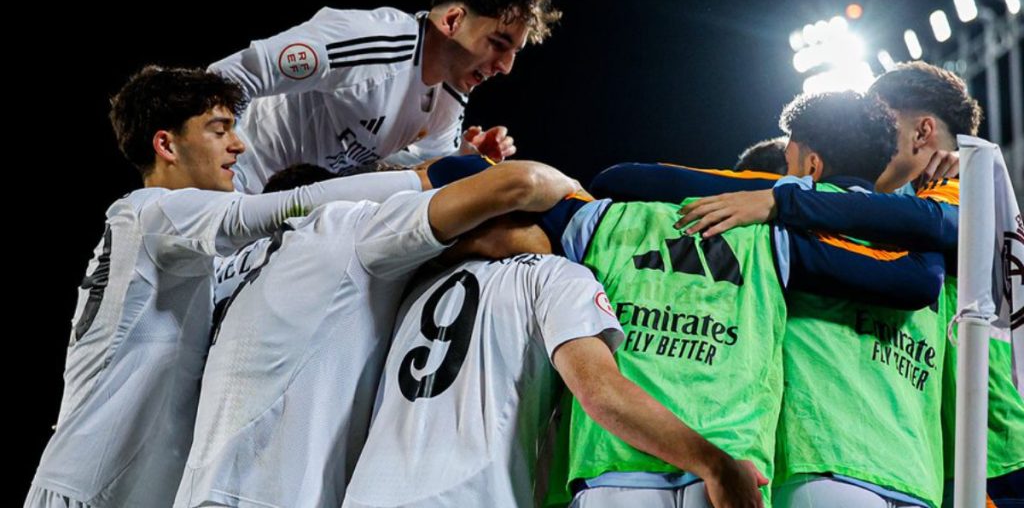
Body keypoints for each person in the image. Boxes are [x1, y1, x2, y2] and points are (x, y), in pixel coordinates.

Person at [26, 66, 441, 508]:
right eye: (219, 130)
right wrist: (418, 181)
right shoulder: (157, 213)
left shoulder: (165, 237)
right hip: (90, 490)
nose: (238, 145)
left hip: (110, 487)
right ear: (166, 144)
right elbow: (285, 206)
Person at [578, 91, 947, 507]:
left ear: (810, 165)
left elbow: (619, 179)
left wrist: (781, 195)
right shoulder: (924, 244)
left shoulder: (777, 231)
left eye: (789, 161)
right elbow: (918, 283)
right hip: (915, 474)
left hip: (818, 462)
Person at [173, 160, 582, 508]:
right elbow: (519, 184)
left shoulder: (248, 269)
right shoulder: (350, 227)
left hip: (208, 488)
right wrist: (579, 197)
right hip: (269, 493)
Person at [343, 214, 767, 508]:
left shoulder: (415, 286)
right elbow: (601, 394)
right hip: (473, 495)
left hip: (364, 494)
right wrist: (715, 464)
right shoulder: (556, 275)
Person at [210, 0, 561, 193]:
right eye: (499, 44)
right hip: (231, 186)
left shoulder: (448, 99)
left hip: (280, 212)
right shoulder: (372, 40)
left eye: (514, 52)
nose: (505, 67)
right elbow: (229, 77)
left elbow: (418, 172)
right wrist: (221, 174)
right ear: (453, 20)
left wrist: (462, 159)